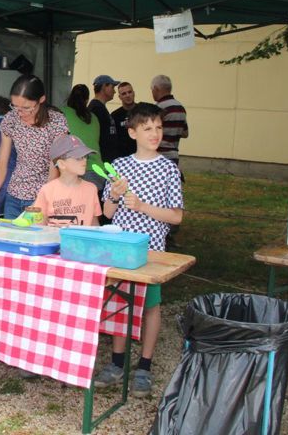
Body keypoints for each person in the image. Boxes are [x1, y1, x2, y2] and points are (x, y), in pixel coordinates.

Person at [93, 102, 183, 395]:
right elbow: (107, 213)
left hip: (152, 251)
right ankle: (117, 362)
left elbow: (176, 216)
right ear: (132, 132)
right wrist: (115, 195)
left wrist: (143, 207)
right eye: (147, 128)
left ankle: (144, 366)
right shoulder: (119, 166)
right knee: (120, 303)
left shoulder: (168, 169)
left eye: (158, 127)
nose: (155, 133)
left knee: (150, 307)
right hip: (121, 250)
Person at [0, 74, 68, 219]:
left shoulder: (57, 122)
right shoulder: (11, 119)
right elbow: (2, 165)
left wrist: (39, 204)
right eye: (15, 106)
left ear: (41, 99)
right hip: (14, 195)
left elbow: (55, 169)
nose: (19, 112)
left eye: (26, 107)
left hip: (44, 195)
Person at [32, 134, 102, 227]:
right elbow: (39, 225)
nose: (84, 160)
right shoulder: (47, 190)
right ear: (61, 164)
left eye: (85, 156)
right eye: (78, 158)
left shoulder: (91, 189)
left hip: (82, 237)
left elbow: (94, 224)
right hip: (55, 237)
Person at [151, 74, 189, 168]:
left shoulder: (158, 108)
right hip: (174, 156)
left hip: (159, 156)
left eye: (152, 89)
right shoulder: (180, 108)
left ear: (156, 89)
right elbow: (185, 133)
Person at [88, 75, 122, 162]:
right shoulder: (95, 109)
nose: (114, 91)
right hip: (103, 161)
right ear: (104, 87)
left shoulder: (100, 107)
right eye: (112, 87)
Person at [111, 82, 137, 157]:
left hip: (141, 156)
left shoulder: (143, 111)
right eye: (124, 94)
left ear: (134, 93)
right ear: (120, 97)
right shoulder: (115, 115)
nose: (127, 95)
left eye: (129, 92)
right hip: (122, 156)